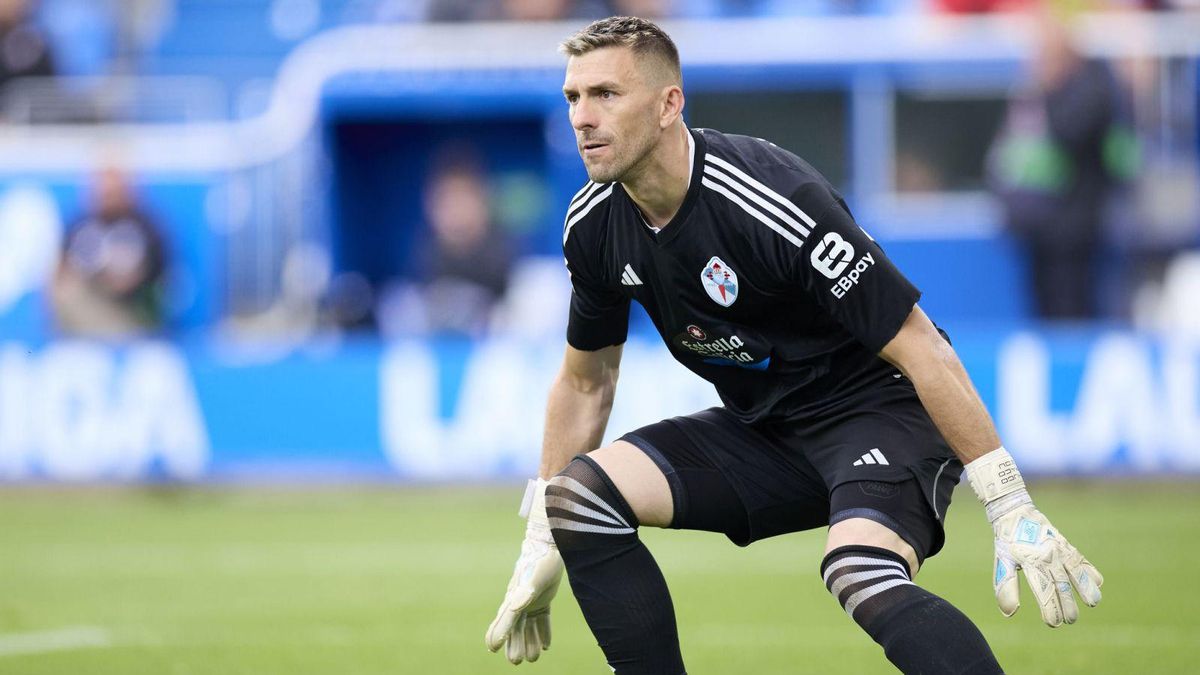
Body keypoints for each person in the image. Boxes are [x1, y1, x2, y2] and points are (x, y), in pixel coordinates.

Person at [485, 16, 1104, 674]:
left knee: (859, 571)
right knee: (579, 497)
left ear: (670, 104)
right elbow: (586, 381)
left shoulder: (771, 197)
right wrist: (540, 529)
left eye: (605, 94)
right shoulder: (593, 225)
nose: (582, 116)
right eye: (573, 98)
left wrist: (1008, 499)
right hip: (768, 429)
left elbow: (922, 347)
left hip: (880, 410)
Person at [51, 167, 168, 337]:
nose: (107, 192)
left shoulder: (145, 227)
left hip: (133, 310)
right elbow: (61, 271)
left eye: (114, 188)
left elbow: (159, 274)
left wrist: (127, 278)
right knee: (65, 289)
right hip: (90, 304)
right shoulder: (80, 225)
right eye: (103, 187)